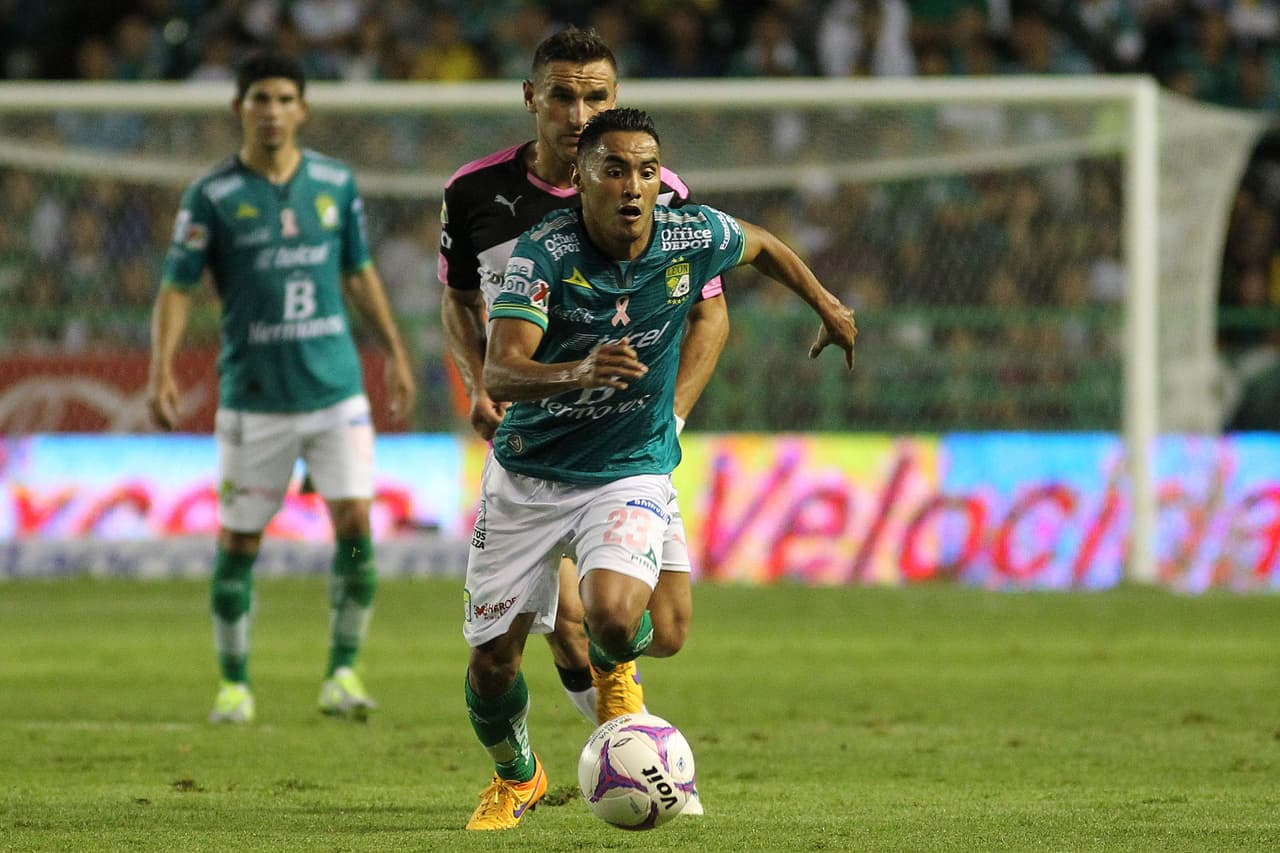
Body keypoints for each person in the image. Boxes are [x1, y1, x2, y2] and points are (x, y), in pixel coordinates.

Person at [460, 107, 856, 830]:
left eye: (645, 170)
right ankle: (518, 775)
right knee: (492, 664)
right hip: (527, 475)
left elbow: (762, 246)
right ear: (581, 181)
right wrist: (579, 370)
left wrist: (825, 303)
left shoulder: (689, 232)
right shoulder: (543, 255)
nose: (633, 185)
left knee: (625, 621)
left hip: (626, 467)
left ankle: (617, 683)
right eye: (614, 170)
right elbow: (501, 370)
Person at [439, 26, 729, 730]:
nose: (578, 115)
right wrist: (481, 383)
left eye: (595, 97)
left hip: (627, 451)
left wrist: (675, 417)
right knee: (566, 624)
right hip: (535, 445)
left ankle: (624, 741)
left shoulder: (661, 194)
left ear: (615, 98)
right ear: (531, 98)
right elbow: (459, 301)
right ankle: (626, 750)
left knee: (662, 630)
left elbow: (711, 318)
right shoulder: (474, 193)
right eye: (563, 97)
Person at [147, 52, 416, 725]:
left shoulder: (335, 182)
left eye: (283, 98)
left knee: (355, 526)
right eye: (260, 98)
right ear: (238, 107)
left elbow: (357, 273)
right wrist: (161, 367)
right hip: (254, 397)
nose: (271, 111)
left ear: (303, 109)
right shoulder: (210, 195)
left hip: (335, 391)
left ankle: (343, 671)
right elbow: (177, 287)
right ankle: (234, 683)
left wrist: (396, 351)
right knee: (239, 542)